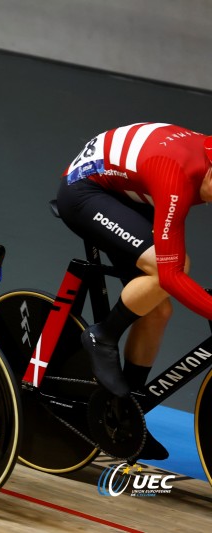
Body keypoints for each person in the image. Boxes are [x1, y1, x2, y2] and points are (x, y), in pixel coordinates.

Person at [57, 122, 212, 460]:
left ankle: (125, 414)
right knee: (172, 268)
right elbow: (171, 276)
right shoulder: (178, 175)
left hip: (127, 190)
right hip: (85, 191)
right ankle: (103, 334)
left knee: (159, 310)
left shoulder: (203, 167)